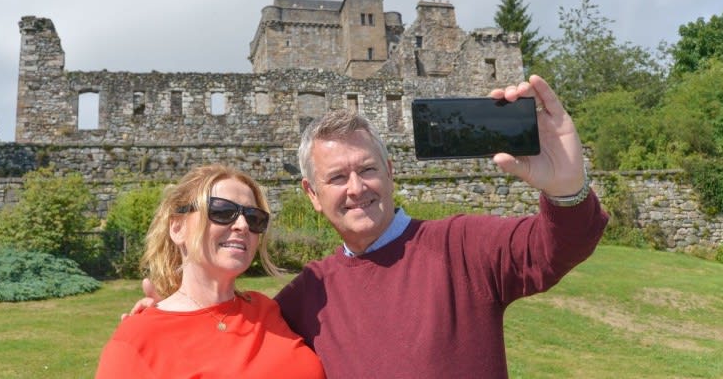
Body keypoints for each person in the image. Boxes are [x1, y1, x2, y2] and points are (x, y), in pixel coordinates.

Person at [135, 75, 609, 378]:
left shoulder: (459, 246)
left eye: (367, 170)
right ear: (312, 196)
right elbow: (240, 340)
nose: (356, 188)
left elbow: (555, 247)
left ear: (390, 173)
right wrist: (167, 318)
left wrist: (566, 187)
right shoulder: (310, 292)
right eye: (337, 178)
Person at [96, 164, 325, 378]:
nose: (243, 225)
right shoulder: (134, 342)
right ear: (177, 228)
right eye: (222, 211)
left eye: (254, 218)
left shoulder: (267, 310)